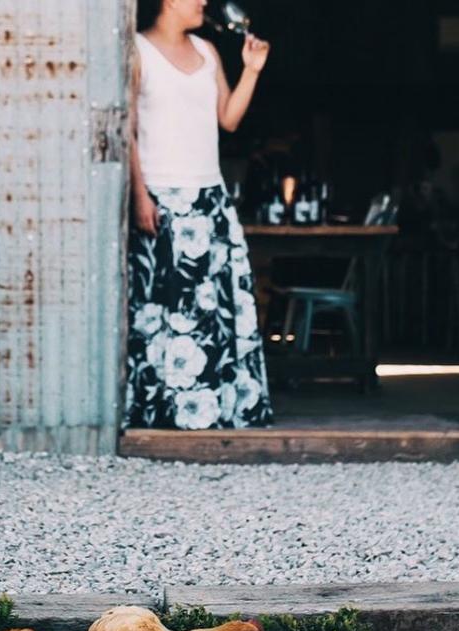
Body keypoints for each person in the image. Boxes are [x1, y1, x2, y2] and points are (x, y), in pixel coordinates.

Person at [126, 0, 273, 430]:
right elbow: (127, 129)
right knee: (166, 308)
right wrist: (139, 196)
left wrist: (253, 69)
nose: (205, 2)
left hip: (210, 195)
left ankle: (218, 408)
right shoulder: (138, 51)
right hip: (163, 194)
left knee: (213, 310)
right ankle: (166, 410)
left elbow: (228, 119)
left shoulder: (208, 52)